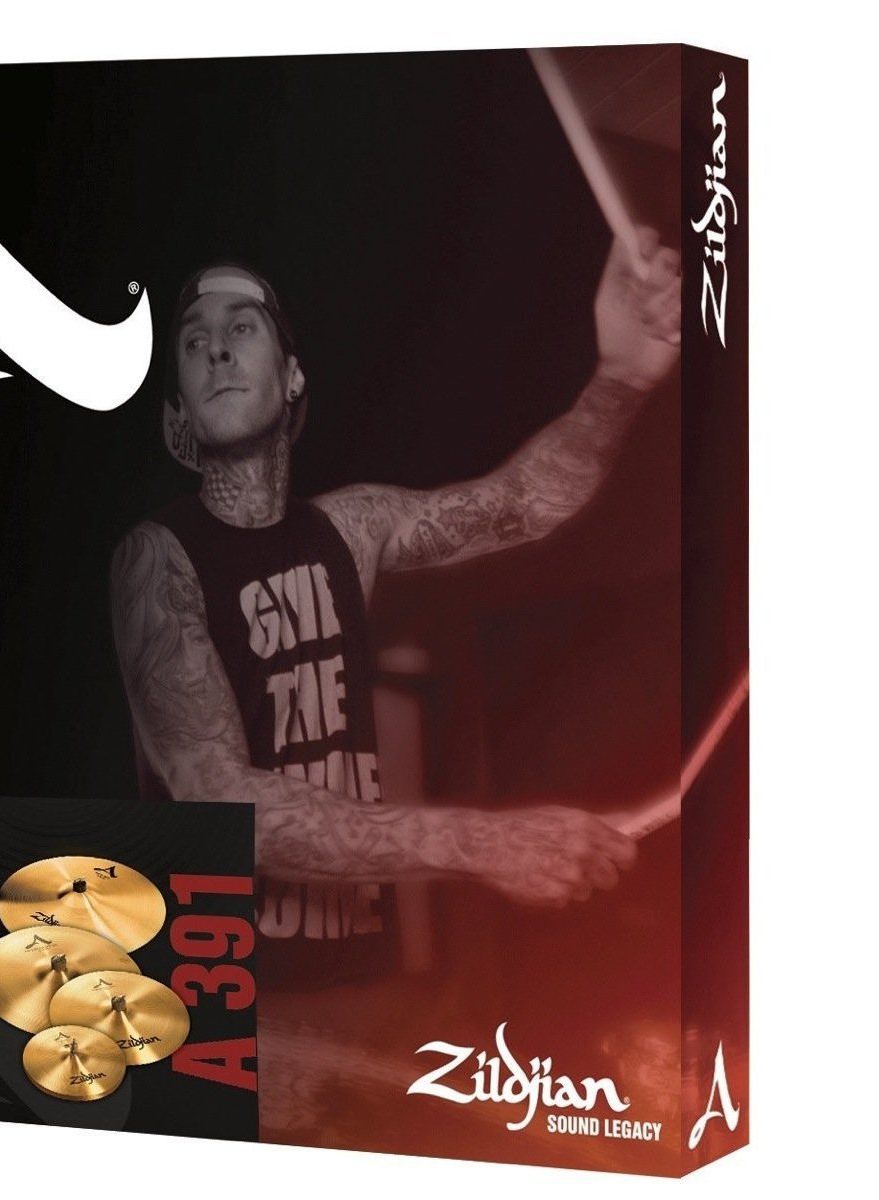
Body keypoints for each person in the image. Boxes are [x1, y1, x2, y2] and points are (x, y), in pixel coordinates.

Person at [109, 233, 680, 1138]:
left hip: (360, 992)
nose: (216, 347)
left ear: (293, 376)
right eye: (193, 339)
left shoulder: (352, 526)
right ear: (177, 412)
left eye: (242, 326)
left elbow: (523, 503)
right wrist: (488, 845)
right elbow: (220, 799)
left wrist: (622, 376)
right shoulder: (157, 560)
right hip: (218, 1004)